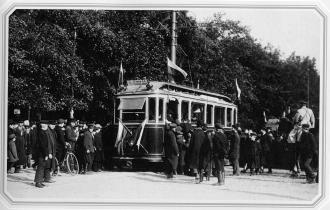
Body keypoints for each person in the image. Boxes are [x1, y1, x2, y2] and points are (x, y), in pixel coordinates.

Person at [34, 120, 56, 188]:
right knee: (41, 167)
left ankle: (42, 180)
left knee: (46, 166)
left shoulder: (45, 132)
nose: (46, 126)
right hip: (42, 153)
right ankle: (38, 182)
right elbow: (43, 145)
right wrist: (46, 154)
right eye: (45, 124)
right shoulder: (41, 133)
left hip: (45, 153)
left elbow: (48, 144)